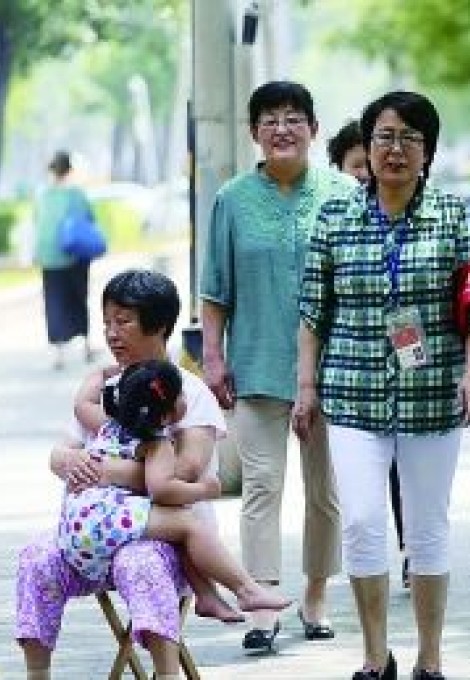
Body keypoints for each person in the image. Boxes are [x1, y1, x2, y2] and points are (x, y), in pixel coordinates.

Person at [293, 90, 470, 680]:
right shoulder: (335, 215)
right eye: (383, 136)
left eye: (408, 138)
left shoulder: (453, 214)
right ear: (367, 145)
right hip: (352, 391)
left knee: (428, 526)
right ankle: (375, 657)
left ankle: (430, 657)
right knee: (360, 521)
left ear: (427, 151)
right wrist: (306, 388)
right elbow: (312, 311)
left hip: (432, 393)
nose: (394, 149)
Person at [200, 81, 357, 650]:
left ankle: (316, 593)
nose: (282, 128)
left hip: (336, 371)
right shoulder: (233, 200)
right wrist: (212, 356)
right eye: (270, 119)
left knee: (326, 490)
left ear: (314, 129)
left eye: (294, 118)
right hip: (258, 368)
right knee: (262, 486)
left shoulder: (344, 194)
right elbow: (216, 287)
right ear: (254, 133)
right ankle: (263, 598)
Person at [16, 269, 230, 680]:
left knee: (140, 561)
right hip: (93, 538)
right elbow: (64, 450)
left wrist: (103, 471)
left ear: (161, 326)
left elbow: (184, 471)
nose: (112, 334)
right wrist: (65, 462)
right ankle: (36, 674)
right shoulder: (106, 388)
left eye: (124, 321)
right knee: (36, 559)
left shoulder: (188, 393)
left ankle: (165, 673)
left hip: (166, 541)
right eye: (107, 323)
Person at [59, 358, 292, 618]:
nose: (186, 399)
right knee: (190, 524)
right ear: (168, 413)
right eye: (180, 394)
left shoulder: (107, 425)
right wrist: (205, 490)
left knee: (174, 526)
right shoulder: (158, 444)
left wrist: (100, 373)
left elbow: (82, 403)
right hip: (103, 527)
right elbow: (162, 490)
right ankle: (246, 590)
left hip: (76, 530)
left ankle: (207, 596)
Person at [327, 118, 411, 588]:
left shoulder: (411, 210)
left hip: (406, 343)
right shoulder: (336, 217)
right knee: (361, 488)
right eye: (356, 166)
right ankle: (371, 555)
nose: (366, 173)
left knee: (403, 464)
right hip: (352, 368)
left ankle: (409, 549)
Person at [33, 150, 98, 370]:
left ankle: (58, 353)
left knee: (53, 302)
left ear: (51, 170)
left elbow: (37, 224)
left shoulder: (42, 195)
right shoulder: (76, 195)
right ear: (69, 170)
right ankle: (87, 346)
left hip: (49, 257)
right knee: (79, 298)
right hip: (74, 255)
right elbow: (89, 219)